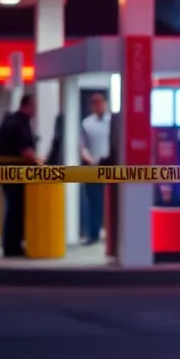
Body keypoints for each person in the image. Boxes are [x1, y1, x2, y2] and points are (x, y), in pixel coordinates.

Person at [0, 95, 40, 257]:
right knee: (17, 209)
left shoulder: (9, 121)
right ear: (27, 106)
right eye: (34, 107)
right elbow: (26, 151)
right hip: (15, 173)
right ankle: (13, 248)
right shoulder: (21, 124)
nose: (36, 110)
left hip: (3, 171)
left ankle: (10, 246)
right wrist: (40, 163)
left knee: (12, 208)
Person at [79, 92, 112, 246]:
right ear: (92, 106)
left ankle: (110, 233)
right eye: (95, 103)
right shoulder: (87, 124)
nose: (99, 106)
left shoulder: (112, 121)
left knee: (111, 201)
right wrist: (89, 159)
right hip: (92, 166)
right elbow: (82, 146)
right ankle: (93, 233)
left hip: (109, 165)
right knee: (94, 201)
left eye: (101, 102)